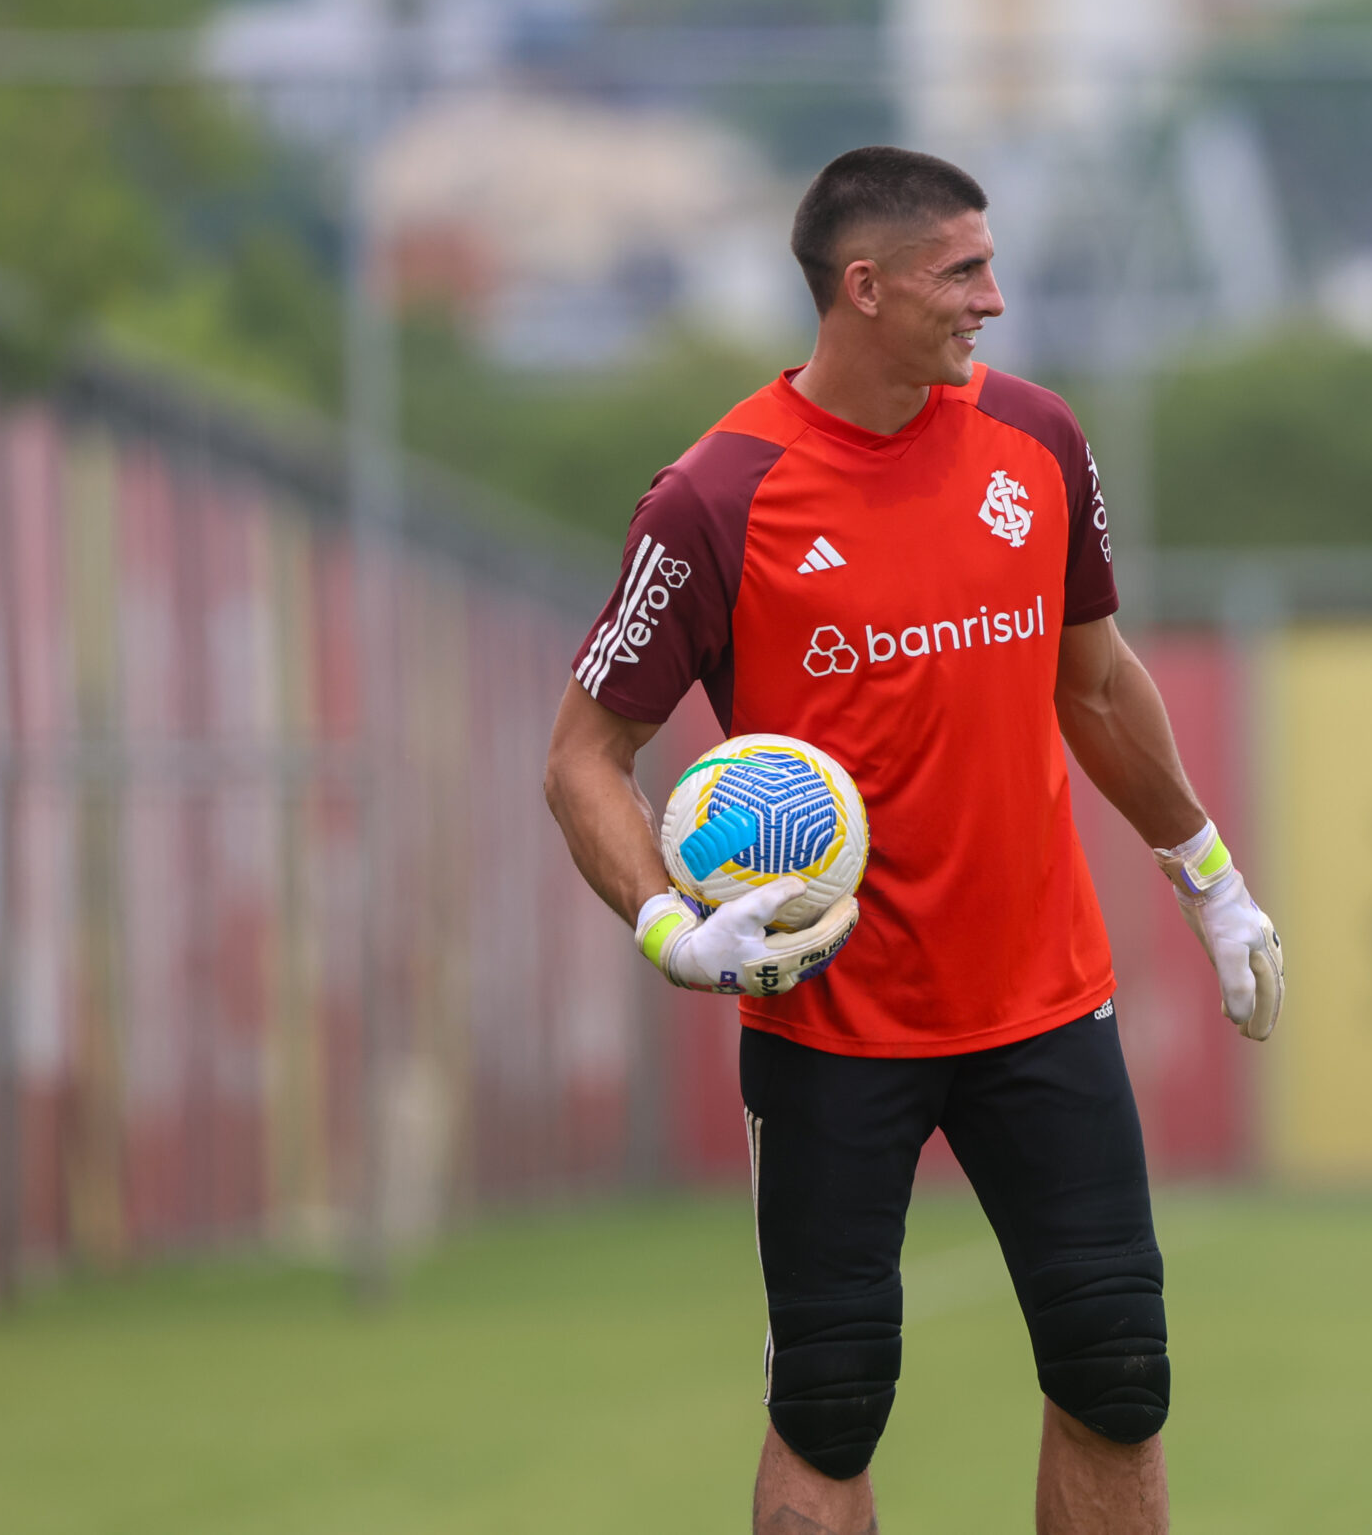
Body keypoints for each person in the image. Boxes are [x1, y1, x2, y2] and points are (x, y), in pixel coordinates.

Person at [544, 145, 1283, 1535]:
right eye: (965, 272)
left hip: (1044, 1006)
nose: (994, 299)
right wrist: (666, 928)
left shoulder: (1041, 441)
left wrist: (1210, 878)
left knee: (1118, 1378)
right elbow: (584, 755)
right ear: (864, 287)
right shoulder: (713, 498)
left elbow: (1099, 683)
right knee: (828, 1411)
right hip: (830, 1031)